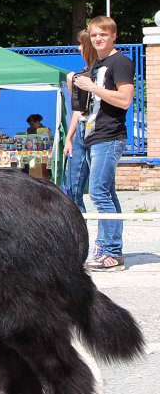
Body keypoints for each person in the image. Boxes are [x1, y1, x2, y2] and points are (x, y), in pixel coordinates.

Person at [70, 16, 134, 271]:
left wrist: (93, 88)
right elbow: (86, 105)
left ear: (113, 36)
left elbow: (125, 100)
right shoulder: (97, 64)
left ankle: (111, 251)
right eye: (94, 35)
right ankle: (108, 248)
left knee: (98, 192)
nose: (97, 39)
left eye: (103, 35)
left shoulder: (121, 62)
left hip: (109, 136)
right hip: (93, 134)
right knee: (106, 192)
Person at [63, 30, 98, 213]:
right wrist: (69, 138)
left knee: (100, 190)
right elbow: (79, 109)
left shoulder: (98, 73)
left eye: (82, 44)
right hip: (81, 131)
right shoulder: (82, 73)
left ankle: (108, 237)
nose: (78, 48)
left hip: (97, 131)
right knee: (72, 186)